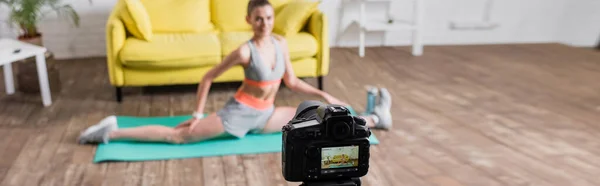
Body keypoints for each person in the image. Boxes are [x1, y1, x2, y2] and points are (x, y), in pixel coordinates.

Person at [77, 0, 392, 145]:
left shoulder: (282, 44)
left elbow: (292, 82)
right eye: (258, 18)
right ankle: (111, 131)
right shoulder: (244, 50)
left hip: (266, 115)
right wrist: (199, 113)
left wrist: (322, 93)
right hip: (239, 114)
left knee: (320, 116)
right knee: (180, 137)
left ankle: (376, 118)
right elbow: (208, 77)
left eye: (268, 17)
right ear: (249, 20)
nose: (265, 23)